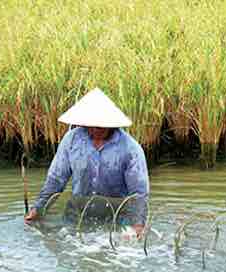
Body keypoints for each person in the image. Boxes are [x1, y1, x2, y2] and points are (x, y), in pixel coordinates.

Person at [24, 88, 150, 237]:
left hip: (116, 216)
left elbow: (139, 192)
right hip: (78, 213)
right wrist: (38, 209)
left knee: (113, 253)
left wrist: (138, 224)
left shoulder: (130, 148)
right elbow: (56, 179)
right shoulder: (71, 140)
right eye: (92, 125)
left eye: (102, 125)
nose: (96, 129)